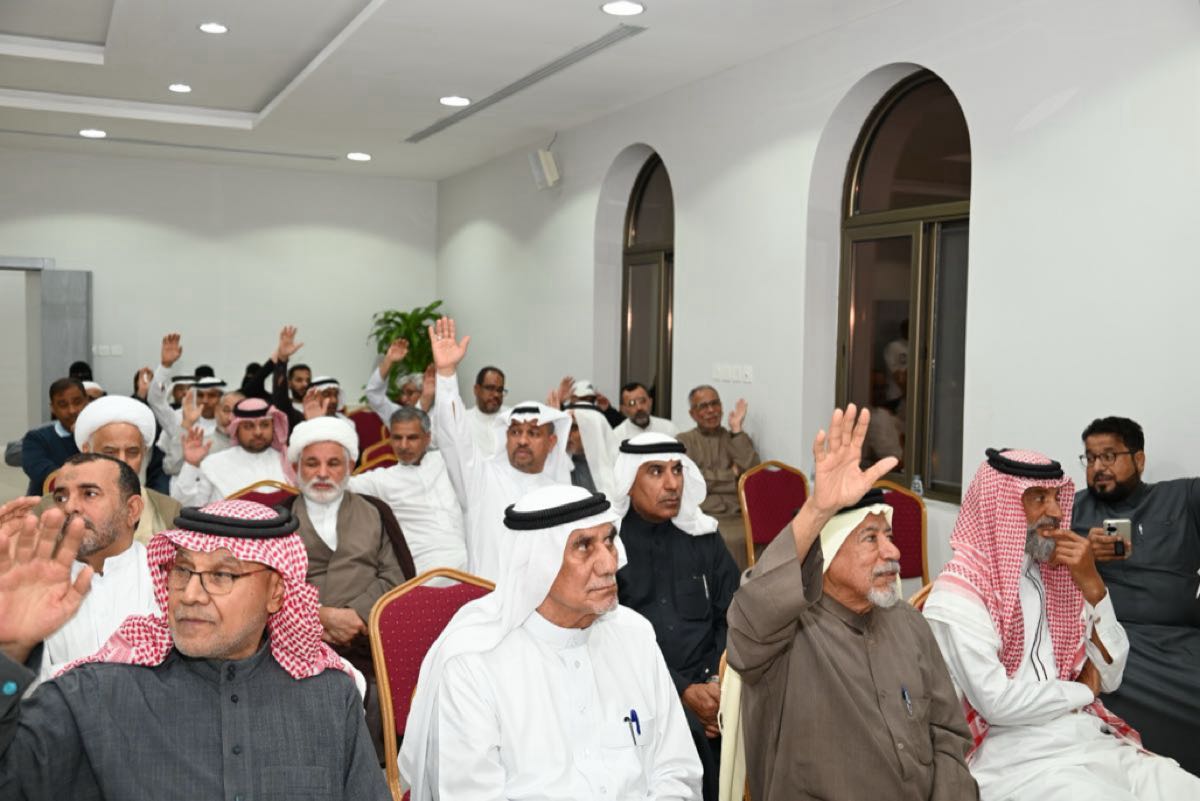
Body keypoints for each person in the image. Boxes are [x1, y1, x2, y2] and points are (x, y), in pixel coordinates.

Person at [0, 498, 390, 799]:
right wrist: (10, 649)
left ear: (275, 593)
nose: (190, 594)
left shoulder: (327, 696)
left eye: (222, 574)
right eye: (183, 570)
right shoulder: (97, 693)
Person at [727, 405, 977, 801]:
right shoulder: (786, 635)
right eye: (870, 538)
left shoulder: (909, 623)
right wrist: (818, 510)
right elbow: (750, 619)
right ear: (826, 552)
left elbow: (948, 734)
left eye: (889, 536)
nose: (893, 551)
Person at [923, 448, 1200, 800]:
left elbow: (1111, 676)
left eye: (1056, 497)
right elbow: (999, 704)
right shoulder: (958, 595)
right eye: (1039, 498)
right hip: (1015, 758)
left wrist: (1095, 587)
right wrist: (1083, 691)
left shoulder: (1056, 576)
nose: (1055, 512)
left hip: (1085, 736)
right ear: (1000, 507)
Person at [400, 484, 703, 800]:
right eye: (583, 546)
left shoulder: (635, 635)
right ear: (538, 563)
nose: (609, 564)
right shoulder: (472, 664)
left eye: (609, 541)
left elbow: (677, 771)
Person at [1070, 416, 1200, 774]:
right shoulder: (1072, 509)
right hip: (1111, 638)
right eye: (1090, 458)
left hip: (1180, 639)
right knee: (1109, 678)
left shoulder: (1180, 498)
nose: (1098, 467)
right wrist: (1084, 552)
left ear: (1139, 460)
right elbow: (1029, 556)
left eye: (1109, 456)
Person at [614, 433, 740, 801]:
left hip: (714, 685)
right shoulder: (610, 546)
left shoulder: (703, 536)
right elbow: (611, 641)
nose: (672, 484)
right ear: (629, 482)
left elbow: (733, 615)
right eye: (656, 472)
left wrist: (717, 680)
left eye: (677, 470)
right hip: (641, 690)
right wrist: (683, 691)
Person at [283, 417, 415, 762]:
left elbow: (396, 577)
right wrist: (320, 617)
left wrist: (355, 615)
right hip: (296, 640)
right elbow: (266, 585)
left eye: (333, 463)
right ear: (296, 467)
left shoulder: (375, 512)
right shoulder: (278, 518)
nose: (322, 473)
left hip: (367, 637)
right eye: (312, 463)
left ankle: (370, 777)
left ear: (350, 466)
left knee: (374, 693)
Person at [428, 316, 571, 581]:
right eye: (515, 432)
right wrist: (446, 375)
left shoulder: (561, 494)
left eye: (533, 433)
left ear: (552, 442)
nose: (522, 440)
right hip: (490, 600)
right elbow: (454, 437)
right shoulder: (482, 479)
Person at [36, 454, 157, 683]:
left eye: (89, 494)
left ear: (132, 510)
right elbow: (28, 682)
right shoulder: (37, 584)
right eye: (61, 497)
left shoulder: (167, 577)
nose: (70, 507)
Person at [39, 395, 182, 544]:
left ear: (144, 453)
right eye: (110, 453)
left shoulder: (169, 511)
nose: (122, 461)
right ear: (87, 451)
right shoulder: (46, 510)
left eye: (132, 452)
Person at [349, 406, 469, 578]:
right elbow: (336, 485)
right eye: (397, 438)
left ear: (427, 438)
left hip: (472, 556)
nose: (403, 446)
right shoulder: (382, 479)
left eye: (412, 438)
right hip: (429, 568)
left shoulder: (447, 461)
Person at [677, 385, 759, 565]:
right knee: (726, 540)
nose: (711, 410)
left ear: (721, 407)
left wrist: (736, 429)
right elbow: (692, 481)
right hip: (705, 513)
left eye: (715, 404)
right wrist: (732, 475)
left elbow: (753, 475)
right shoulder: (683, 441)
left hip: (739, 513)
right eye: (703, 406)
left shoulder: (735, 439)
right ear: (692, 414)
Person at [172, 397, 293, 505]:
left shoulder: (288, 462)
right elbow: (187, 505)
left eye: (265, 425)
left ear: (273, 427)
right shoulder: (214, 463)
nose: (258, 432)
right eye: (248, 426)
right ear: (236, 429)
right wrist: (191, 465)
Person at [21, 377, 89, 494]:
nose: (72, 410)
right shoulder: (36, 438)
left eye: (77, 402)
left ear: (86, 402)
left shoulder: (98, 435)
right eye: (63, 405)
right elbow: (44, 472)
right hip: (49, 502)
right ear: (53, 408)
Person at [364, 338, 436, 423]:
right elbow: (373, 394)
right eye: (402, 393)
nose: (403, 398)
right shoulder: (398, 415)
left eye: (410, 393)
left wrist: (427, 397)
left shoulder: (439, 416)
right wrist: (388, 360)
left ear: (423, 392)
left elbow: (416, 421)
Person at [468, 364, 512, 458]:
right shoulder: (462, 421)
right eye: (490, 388)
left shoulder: (513, 418)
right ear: (476, 390)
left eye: (500, 390)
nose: (496, 395)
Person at [614, 381, 679, 441]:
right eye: (632, 403)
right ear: (623, 409)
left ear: (650, 402)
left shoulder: (669, 429)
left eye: (642, 401)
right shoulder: (616, 436)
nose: (639, 407)